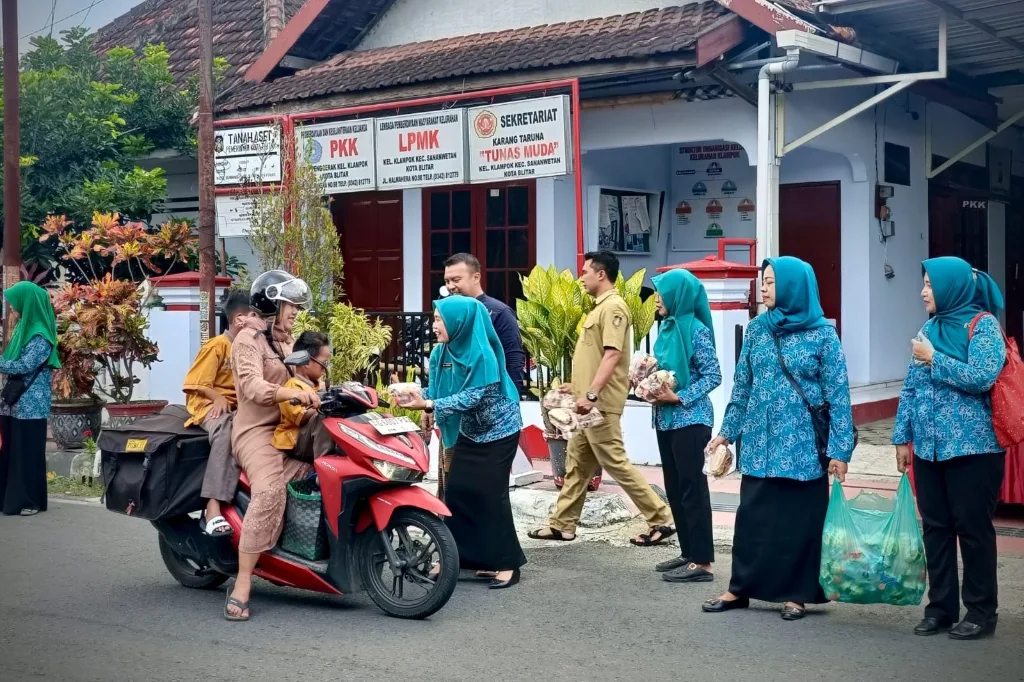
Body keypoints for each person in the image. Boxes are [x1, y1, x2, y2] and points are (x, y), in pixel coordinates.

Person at [704, 256, 854, 620]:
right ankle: (740, 588)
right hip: (759, 444)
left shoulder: (822, 335)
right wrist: (725, 434)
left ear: (792, 286)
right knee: (753, 518)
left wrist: (840, 450)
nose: (765, 288)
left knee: (799, 524)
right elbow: (742, 388)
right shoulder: (757, 329)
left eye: (771, 282)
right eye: (764, 281)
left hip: (803, 448)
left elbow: (839, 396)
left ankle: (797, 594)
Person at [893, 257, 1006, 640]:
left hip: (974, 450)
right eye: (924, 283)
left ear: (951, 287)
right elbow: (910, 386)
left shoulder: (983, 326)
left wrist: (935, 358)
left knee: (972, 530)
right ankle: (940, 608)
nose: (924, 291)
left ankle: (980, 612)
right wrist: (901, 438)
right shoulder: (928, 327)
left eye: (930, 284)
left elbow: (982, 377)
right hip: (928, 448)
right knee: (936, 529)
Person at [529, 251, 674, 546]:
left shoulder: (614, 307)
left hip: (600, 404)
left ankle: (661, 518)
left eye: (585, 272)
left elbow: (613, 354)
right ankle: (562, 524)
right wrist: (577, 386)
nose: (581, 277)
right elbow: (596, 357)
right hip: (587, 402)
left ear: (601, 274)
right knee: (577, 464)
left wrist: (592, 393)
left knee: (616, 462)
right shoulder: (598, 308)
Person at [404, 296, 526, 589]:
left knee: (490, 495)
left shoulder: (482, 354)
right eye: (433, 318)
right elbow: (435, 387)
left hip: (500, 430)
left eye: (439, 319)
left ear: (460, 321)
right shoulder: (440, 353)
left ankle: (507, 562)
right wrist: (413, 395)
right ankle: (459, 557)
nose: (434, 325)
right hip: (469, 430)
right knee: (457, 491)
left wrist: (430, 403)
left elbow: (473, 396)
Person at [224, 271, 321, 622]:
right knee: (269, 492)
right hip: (257, 432)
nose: (295, 311)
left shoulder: (287, 341)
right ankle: (244, 580)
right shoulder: (247, 340)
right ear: (271, 303)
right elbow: (251, 387)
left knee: (326, 469)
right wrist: (290, 392)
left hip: (290, 425)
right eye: (290, 305)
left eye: (296, 305)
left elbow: (305, 374)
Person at [647, 269, 722, 583]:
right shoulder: (665, 327)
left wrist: (679, 397)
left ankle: (702, 561)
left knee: (693, 489)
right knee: (675, 490)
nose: (657, 299)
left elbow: (713, 375)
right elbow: (665, 371)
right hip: (666, 421)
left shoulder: (695, 330)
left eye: (662, 293)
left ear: (678, 295)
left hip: (691, 420)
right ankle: (688, 552)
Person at [182, 290, 255, 536]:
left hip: (240, 409)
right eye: (256, 316)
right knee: (226, 429)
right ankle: (212, 507)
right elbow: (194, 383)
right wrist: (218, 397)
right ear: (239, 320)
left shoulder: (253, 348)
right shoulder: (217, 346)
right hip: (208, 407)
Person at [0, 282, 61, 517]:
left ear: (29, 303)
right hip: (13, 402)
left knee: (26, 453)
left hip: (31, 405)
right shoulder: (22, 331)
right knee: (11, 451)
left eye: (17, 304)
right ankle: (8, 499)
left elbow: (25, 365)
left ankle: (30, 501)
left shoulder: (40, 335)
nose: (14, 309)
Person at [443, 253, 526, 387]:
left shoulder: (499, 312)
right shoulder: (448, 313)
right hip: (455, 396)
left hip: (491, 396)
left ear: (476, 277)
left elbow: (513, 358)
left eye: (456, 280)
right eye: (447, 281)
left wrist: (511, 396)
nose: (450, 286)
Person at [272, 330, 334, 463]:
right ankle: (324, 465)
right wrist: (324, 404)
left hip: (309, 439)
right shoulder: (292, 386)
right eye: (324, 363)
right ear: (306, 361)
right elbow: (301, 417)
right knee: (323, 416)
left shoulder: (318, 386)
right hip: (295, 441)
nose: (325, 368)